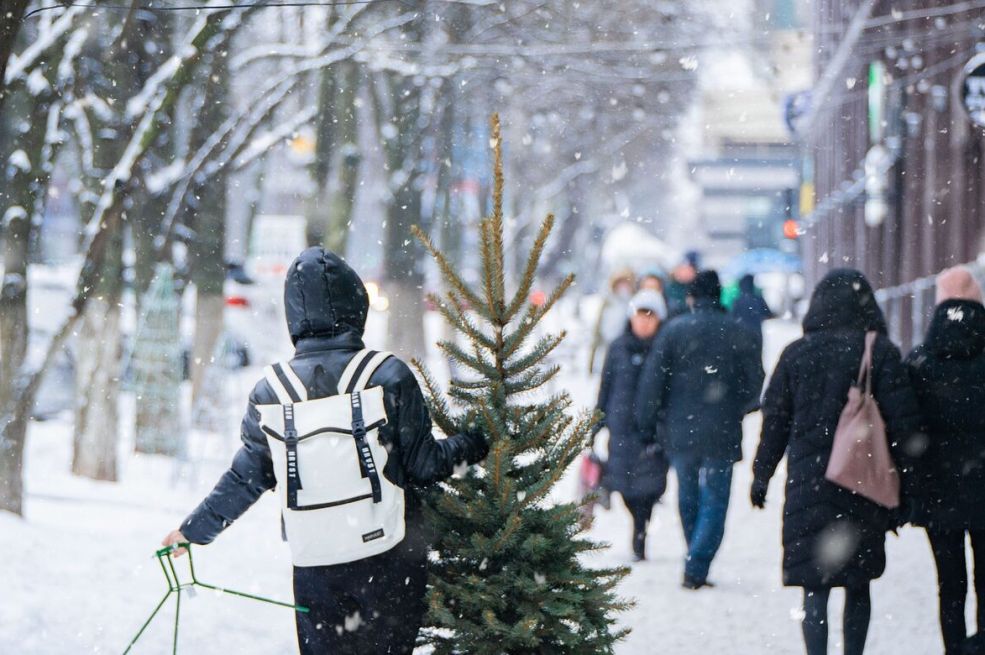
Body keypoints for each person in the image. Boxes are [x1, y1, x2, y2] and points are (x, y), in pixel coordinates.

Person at [161, 247, 488, 655]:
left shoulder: (271, 393)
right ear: (357, 305)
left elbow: (246, 479)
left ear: (293, 315)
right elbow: (426, 466)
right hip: (389, 558)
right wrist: (480, 441)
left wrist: (193, 531)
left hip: (316, 564)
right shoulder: (386, 376)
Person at [751, 268, 922, 655]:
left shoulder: (796, 354)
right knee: (858, 584)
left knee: (816, 586)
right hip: (862, 482)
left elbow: (774, 421)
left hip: (810, 486)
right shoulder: (878, 351)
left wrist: (762, 474)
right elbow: (904, 424)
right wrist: (909, 487)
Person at [636, 270, 764, 588]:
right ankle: (698, 561)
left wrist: (648, 424)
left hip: (681, 430)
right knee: (716, 499)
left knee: (688, 494)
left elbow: (653, 383)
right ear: (719, 296)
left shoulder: (673, 332)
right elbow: (754, 383)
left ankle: (694, 555)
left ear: (691, 297)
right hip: (722, 430)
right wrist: (738, 408)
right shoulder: (738, 331)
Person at [905, 266, 985, 655]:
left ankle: (954, 648)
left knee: (949, 582)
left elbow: (906, 425)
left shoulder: (921, 361)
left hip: (938, 490)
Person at [595, 289, 670, 562]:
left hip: (653, 431)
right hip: (621, 428)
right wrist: (596, 422)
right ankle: (638, 527)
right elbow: (606, 387)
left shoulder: (665, 348)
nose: (644, 322)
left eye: (650, 316)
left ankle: (641, 531)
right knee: (625, 487)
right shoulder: (617, 347)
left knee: (649, 488)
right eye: (640, 315)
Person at [588, 268, 637, 374]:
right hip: (606, 346)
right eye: (620, 284)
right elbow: (598, 327)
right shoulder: (608, 302)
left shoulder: (634, 303)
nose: (623, 288)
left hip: (625, 347)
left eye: (626, 284)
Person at [730, 273, 774, 354]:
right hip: (756, 333)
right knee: (756, 358)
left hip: (741, 334)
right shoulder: (758, 299)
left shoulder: (737, 301)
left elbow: (732, 317)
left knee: (742, 358)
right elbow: (769, 314)